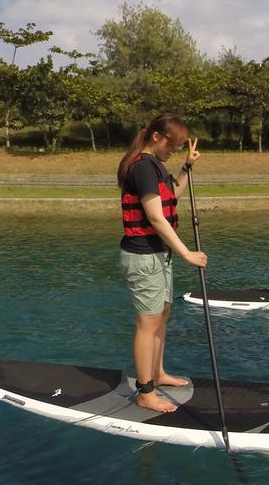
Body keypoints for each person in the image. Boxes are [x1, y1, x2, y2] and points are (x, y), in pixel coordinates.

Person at [117, 113, 207, 413]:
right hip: (143, 256)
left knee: (162, 315)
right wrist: (186, 253)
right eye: (174, 144)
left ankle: (158, 373)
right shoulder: (142, 167)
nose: (175, 150)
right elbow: (156, 217)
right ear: (157, 137)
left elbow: (172, 196)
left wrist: (187, 167)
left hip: (158, 255)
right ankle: (145, 392)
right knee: (148, 323)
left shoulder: (156, 166)